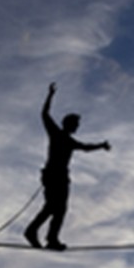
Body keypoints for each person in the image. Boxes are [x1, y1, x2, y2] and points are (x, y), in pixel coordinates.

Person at [23, 82, 110, 250]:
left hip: (61, 178)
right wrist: (50, 95)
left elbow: (86, 148)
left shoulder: (70, 141)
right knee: (53, 207)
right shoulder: (56, 134)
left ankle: (51, 238)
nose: (77, 127)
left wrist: (101, 145)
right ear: (69, 124)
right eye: (76, 124)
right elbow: (45, 114)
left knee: (59, 209)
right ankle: (33, 231)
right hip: (53, 176)